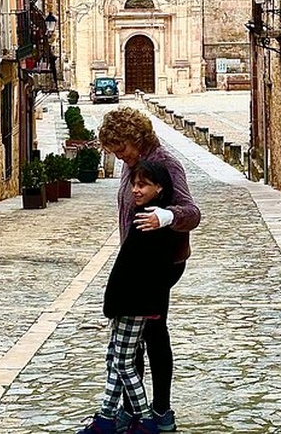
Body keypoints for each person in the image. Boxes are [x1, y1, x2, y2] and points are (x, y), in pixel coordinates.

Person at [98, 107, 202, 433]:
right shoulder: (132, 166)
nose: (118, 155)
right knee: (135, 339)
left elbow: (191, 212)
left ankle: (160, 412)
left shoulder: (165, 164)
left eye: (121, 148)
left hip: (160, 266)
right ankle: (132, 410)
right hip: (137, 265)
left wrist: (164, 217)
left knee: (153, 335)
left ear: (137, 138)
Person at [78, 160, 179, 434]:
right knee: (115, 360)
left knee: (122, 363)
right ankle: (106, 419)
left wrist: (120, 303)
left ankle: (144, 419)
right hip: (129, 303)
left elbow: (142, 270)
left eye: (142, 185)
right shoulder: (143, 215)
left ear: (159, 188)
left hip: (134, 304)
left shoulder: (152, 221)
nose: (135, 190)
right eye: (134, 184)